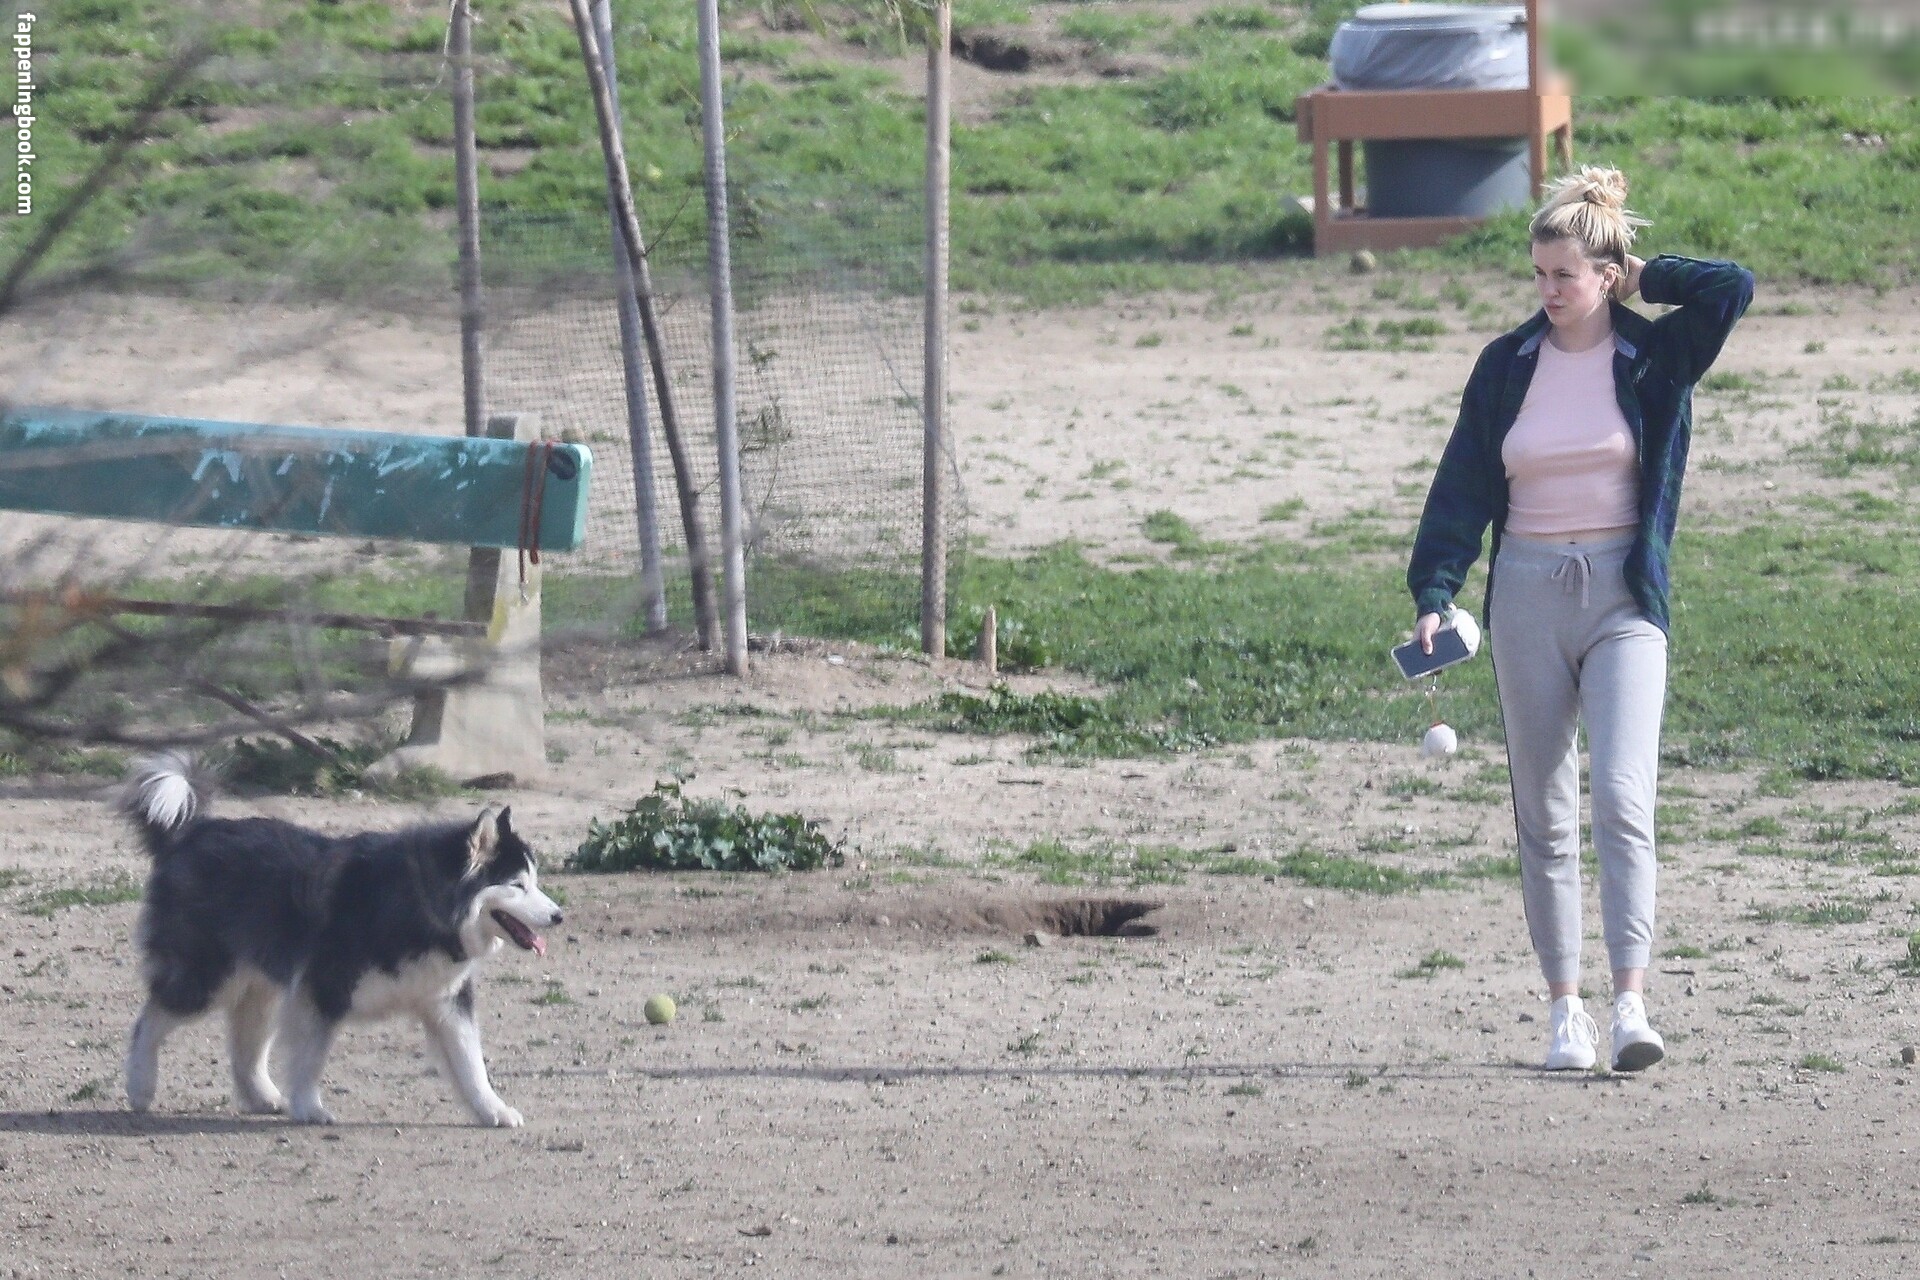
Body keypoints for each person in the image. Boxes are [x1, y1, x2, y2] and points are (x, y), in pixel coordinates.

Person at [1405, 166, 1753, 1073]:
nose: (1549, 291)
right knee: (1545, 811)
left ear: (1606, 275)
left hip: (1624, 597)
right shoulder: (1506, 365)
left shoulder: (1655, 356)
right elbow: (1462, 485)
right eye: (1539, 274)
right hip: (1526, 595)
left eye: (1566, 275)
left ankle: (1631, 1004)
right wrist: (1435, 592)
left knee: (1622, 799)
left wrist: (1650, 276)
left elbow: (1733, 288)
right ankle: (1567, 1012)